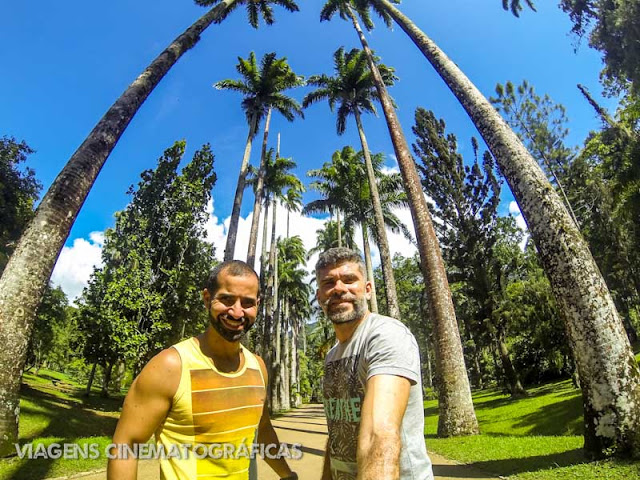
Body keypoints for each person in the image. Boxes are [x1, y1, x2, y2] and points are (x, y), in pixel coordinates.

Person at [107, 260, 298, 480]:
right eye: (226, 300)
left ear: (257, 304)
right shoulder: (172, 366)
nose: (237, 312)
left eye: (247, 303)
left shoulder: (257, 367)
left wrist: (287, 475)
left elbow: (262, 430)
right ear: (207, 299)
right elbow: (126, 445)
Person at [316, 247, 433, 480]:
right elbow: (338, 434)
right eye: (329, 282)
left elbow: (379, 434)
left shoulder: (385, 335)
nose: (339, 289)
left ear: (367, 289)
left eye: (349, 280)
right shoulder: (332, 356)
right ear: (320, 296)